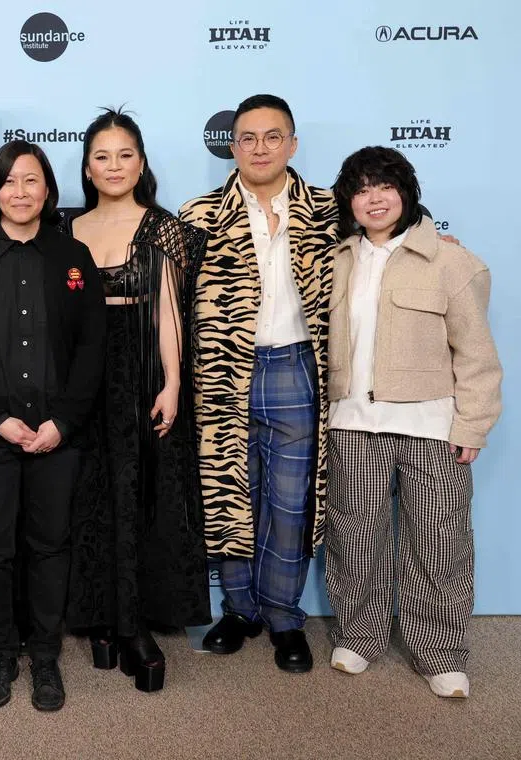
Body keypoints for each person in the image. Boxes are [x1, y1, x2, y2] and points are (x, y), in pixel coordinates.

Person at [0, 140, 107, 711]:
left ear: (49, 190)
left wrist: (63, 420)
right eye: (9, 182)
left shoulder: (74, 257)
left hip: (59, 436)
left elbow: (91, 351)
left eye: (32, 181)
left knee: (50, 547)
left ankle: (46, 658)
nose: (20, 192)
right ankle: (3, 654)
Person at [324, 146, 502, 698]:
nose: (374, 199)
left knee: (437, 540)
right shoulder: (337, 259)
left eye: (385, 186)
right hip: (353, 423)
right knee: (355, 536)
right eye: (361, 188)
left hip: (433, 428)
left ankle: (441, 652)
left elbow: (476, 354)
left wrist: (472, 424)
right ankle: (359, 636)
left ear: (406, 192)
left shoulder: (452, 261)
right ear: (349, 200)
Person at [179, 94, 338, 673]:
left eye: (273, 136)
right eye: (248, 137)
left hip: (296, 367)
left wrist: (432, 236)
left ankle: (285, 616)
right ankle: (239, 610)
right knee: (229, 495)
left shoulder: (329, 209)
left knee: (290, 504)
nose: (260, 147)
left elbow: (385, 241)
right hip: (221, 374)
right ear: (232, 146)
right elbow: (169, 305)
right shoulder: (198, 215)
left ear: (293, 144)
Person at [63, 109, 210, 692]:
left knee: (142, 491)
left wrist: (173, 383)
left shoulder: (162, 227)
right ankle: (98, 616)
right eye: (102, 156)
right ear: (88, 167)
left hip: (145, 370)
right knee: (89, 494)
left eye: (125, 155)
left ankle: (136, 624)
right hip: (82, 376)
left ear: (142, 163)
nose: (114, 166)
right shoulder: (67, 230)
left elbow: (170, 314)